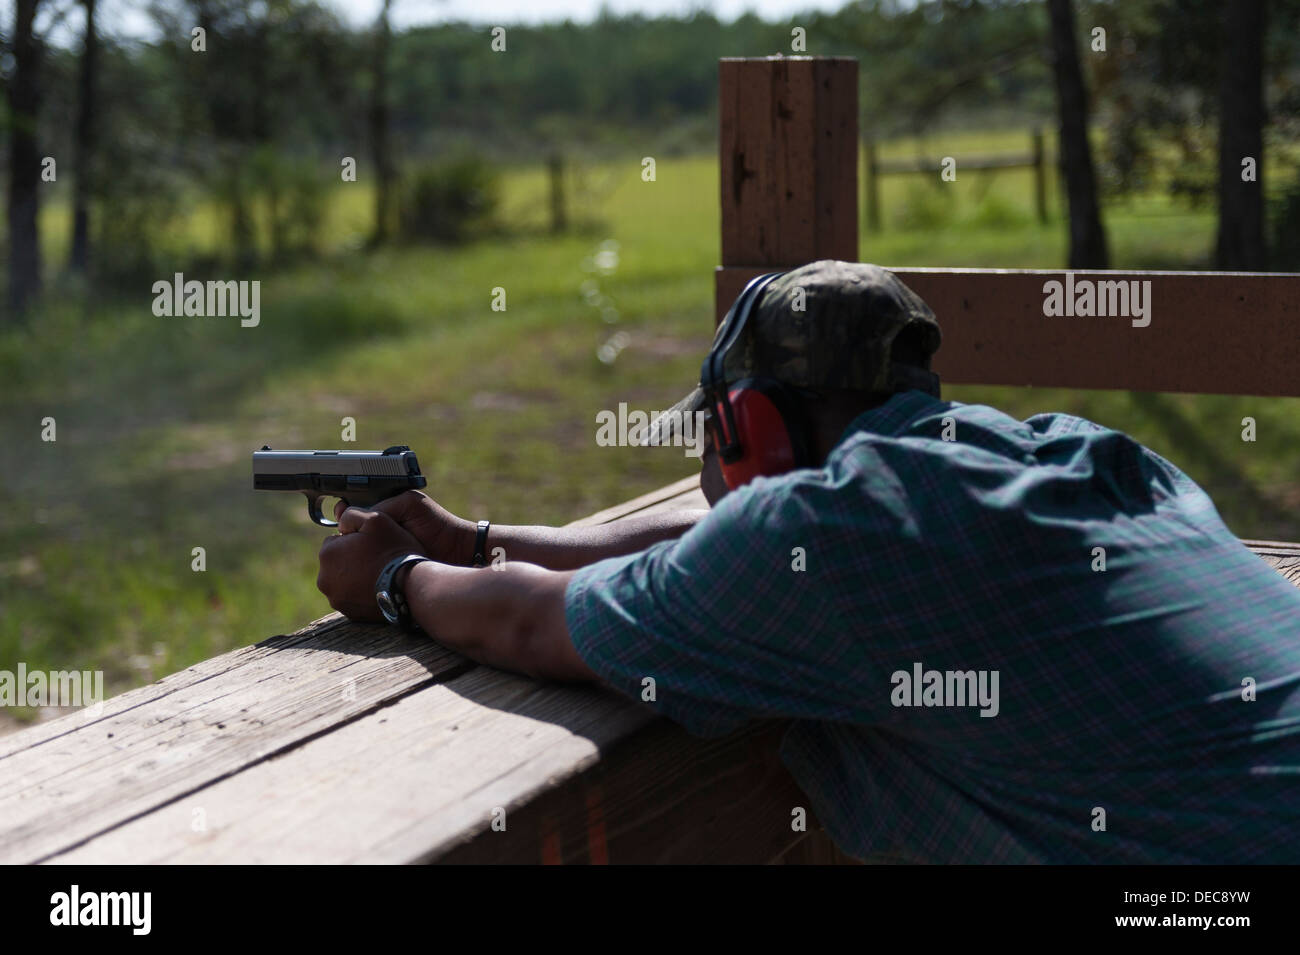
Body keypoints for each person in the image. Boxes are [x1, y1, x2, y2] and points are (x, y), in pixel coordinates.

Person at [316, 260, 1300, 863]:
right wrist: (479, 540)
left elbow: (534, 624)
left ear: (752, 428)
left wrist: (395, 584)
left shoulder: (820, 542)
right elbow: (717, 551)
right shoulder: (1083, 458)